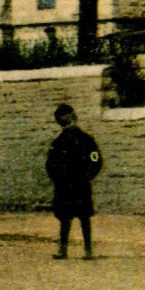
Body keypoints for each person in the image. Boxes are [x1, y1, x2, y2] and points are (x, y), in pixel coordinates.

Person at [45, 103, 102, 259]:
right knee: (82, 219)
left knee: (67, 219)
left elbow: (50, 166)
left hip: (67, 185)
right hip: (79, 184)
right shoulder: (86, 139)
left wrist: (59, 180)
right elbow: (96, 161)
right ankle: (87, 251)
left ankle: (64, 250)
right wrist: (87, 177)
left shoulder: (58, 142)